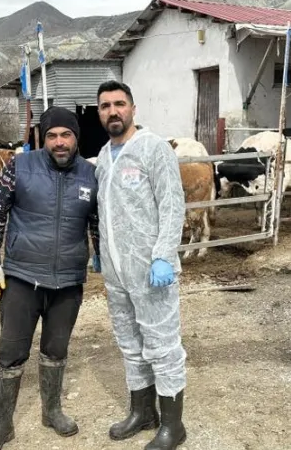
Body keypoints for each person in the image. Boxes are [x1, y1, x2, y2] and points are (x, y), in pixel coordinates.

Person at [0, 106, 100, 450]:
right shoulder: (20, 166)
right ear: (43, 139)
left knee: (56, 349)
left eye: (66, 135)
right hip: (21, 277)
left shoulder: (90, 175)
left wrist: (103, 256)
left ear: (76, 137)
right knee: (10, 352)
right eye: (52, 136)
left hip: (68, 281)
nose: (59, 143)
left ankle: (52, 410)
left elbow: (96, 222)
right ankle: (2, 426)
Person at [93, 80, 188, 450]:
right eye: (105, 106)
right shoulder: (103, 156)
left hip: (152, 271)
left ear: (132, 108)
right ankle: (142, 411)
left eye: (119, 104)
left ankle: (173, 425)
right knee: (130, 342)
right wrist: (100, 253)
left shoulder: (153, 149)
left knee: (162, 346)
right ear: (99, 112)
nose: (113, 111)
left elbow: (171, 204)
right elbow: (104, 211)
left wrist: (164, 254)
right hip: (117, 273)